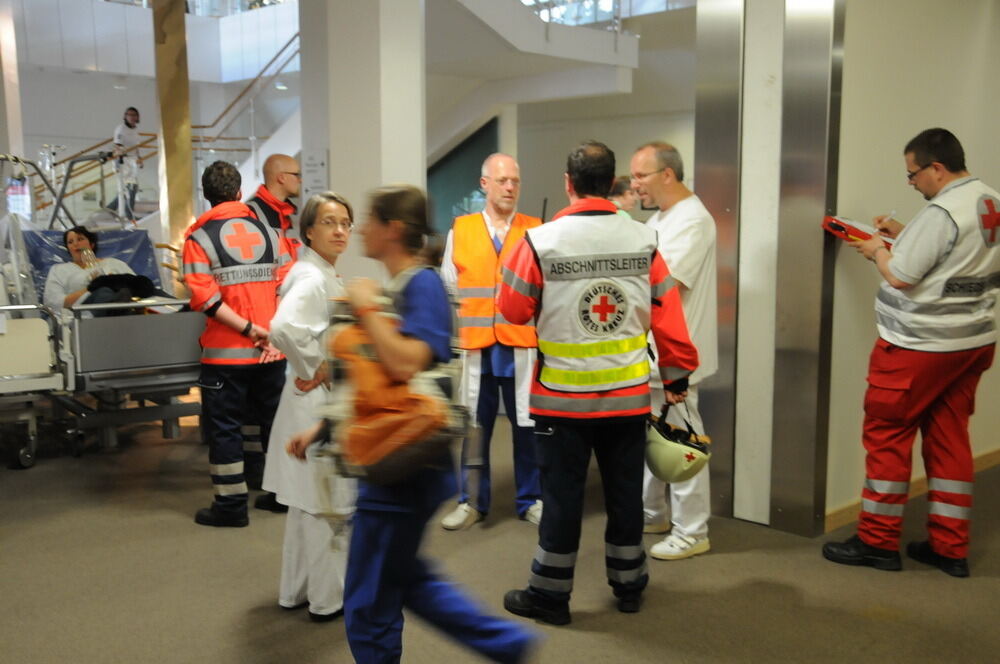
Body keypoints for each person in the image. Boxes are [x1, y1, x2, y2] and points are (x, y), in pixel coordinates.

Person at [290, 185, 537, 663]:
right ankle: (508, 645)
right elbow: (377, 381)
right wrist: (321, 431)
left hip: (405, 466)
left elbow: (406, 363)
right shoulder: (399, 287)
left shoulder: (421, 285)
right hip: (391, 461)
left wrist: (365, 308)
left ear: (393, 229)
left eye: (367, 220)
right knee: (401, 582)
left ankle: (507, 645)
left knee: (369, 600)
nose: (359, 228)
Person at [499, 141, 699, 625]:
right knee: (626, 497)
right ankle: (629, 585)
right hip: (627, 403)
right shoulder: (644, 240)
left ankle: (550, 597)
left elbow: (511, 309)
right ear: (613, 185)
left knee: (563, 502)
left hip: (560, 404)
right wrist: (676, 375)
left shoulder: (539, 242)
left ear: (568, 185)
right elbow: (668, 316)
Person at [822, 128, 1000, 578]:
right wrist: (904, 236)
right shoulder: (989, 200)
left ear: (936, 168)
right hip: (972, 344)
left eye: (913, 173)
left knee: (887, 436)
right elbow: (958, 260)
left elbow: (901, 276)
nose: (911, 182)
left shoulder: (942, 210)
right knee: (950, 438)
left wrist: (877, 249)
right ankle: (950, 547)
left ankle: (877, 543)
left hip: (918, 347)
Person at [262, 191, 356, 621]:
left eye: (345, 223)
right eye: (330, 222)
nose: (340, 230)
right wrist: (317, 366)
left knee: (306, 506)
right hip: (314, 405)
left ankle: (297, 592)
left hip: (307, 402)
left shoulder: (320, 272)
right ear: (309, 230)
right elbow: (281, 326)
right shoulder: (313, 277)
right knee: (324, 506)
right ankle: (326, 599)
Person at [182, 160, 289, 528]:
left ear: (207, 196)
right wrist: (269, 331)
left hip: (226, 355)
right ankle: (279, 494)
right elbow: (287, 286)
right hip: (272, 352)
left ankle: (231, 506)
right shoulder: (272, 233)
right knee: (273, 423)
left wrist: (246, 329)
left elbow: (205, 299)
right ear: (240, 193)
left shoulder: (199, 239)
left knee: (225, 428)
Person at [439, 153, 542, 531]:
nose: (511, 187)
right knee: (474, 429)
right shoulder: (460, 230)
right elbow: (450, 281)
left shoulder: (535, 229)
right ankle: (471, 502)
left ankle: (531, 499)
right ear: (485, 184)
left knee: (528, 428)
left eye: (515, 181)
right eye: (502, 181)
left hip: (520, 346)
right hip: (477, 347)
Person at [629, 141, 719, 560]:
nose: (635, 186)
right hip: (652, 352)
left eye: (640, 176)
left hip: (676, 355)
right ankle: (653, 514)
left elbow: (665, 288)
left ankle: (693, 530)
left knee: (682, 441)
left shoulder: (693, 220)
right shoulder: (665, 217)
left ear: (668, 174)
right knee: (653, 437)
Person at [43, 225, 136, 315]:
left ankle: (116, 307)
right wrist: (90, 289)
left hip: (122, 309)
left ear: (91, 244)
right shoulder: (58, 270)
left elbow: (139, 287)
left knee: (119, 291)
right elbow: (54, 303)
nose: (75, 244)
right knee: (102, 292)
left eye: (80, 239)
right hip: (81, 314)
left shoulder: (114, 264)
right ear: (68, 248)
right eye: (70, 242)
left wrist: (112, 282)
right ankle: (113, 308)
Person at [246, 153, 303, 264]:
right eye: (297, 175)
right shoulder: (250, 213)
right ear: (282, 178)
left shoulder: (287, 214)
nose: (300, 180)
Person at [108, 106, 142, 221]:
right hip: (123, 159)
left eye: (134, 115)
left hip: (132, 159)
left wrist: (139, 158)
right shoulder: (121, 129)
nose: (132, 117)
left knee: (129, 188)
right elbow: (117, 145)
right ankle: (128, 214)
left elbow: (136, 146)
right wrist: (119, 162)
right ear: (125, 116)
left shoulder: (135, 129)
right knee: (131, 187)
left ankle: (111, 208)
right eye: (129, 115)